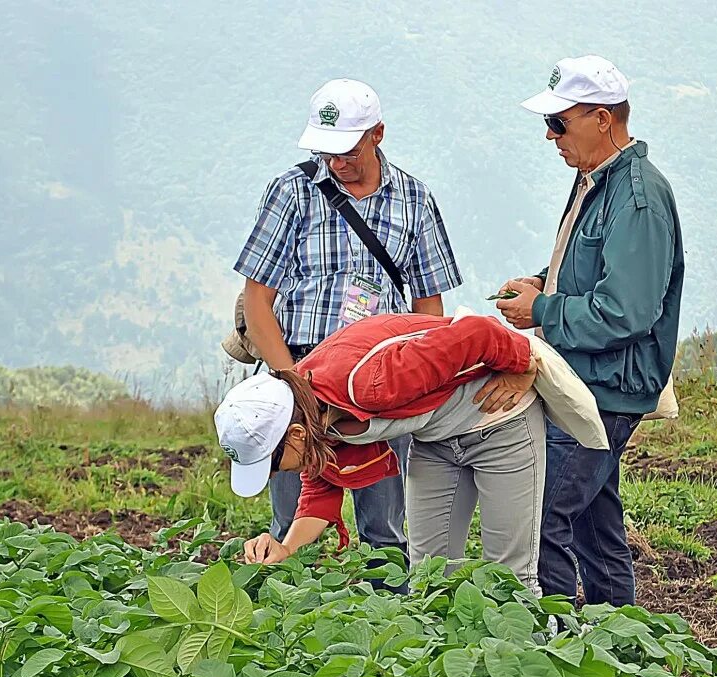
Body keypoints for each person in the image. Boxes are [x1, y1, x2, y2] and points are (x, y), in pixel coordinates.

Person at [232, 78, 463, 559]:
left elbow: (428, 309)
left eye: (348, 150)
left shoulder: (415, 201)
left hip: (378, 388)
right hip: (296, 376)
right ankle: (292, 622)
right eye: (327, 151)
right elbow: (258, 301)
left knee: (385, 528)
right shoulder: (292, 193)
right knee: (291, 522)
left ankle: (393, 623)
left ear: (377, 134)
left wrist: (419, 387)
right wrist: (292, 385)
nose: (336, 163)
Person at [492, 55, 685, 607]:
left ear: (603, 119)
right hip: (589, 379)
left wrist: (543, 310)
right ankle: (619, 637)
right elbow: (597, 271)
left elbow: (626, 311)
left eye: (559, 123)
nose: (550, 136)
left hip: (604, 387)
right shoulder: (597, 181)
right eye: (547, 124)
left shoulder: (638, 198)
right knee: (594, 523)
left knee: (545, 516)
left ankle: (557, 640)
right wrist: (542, 279)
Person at [214, 313, 547, 593]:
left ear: (296, 435)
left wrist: (522, 365)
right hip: (437, 440)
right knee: (429, 578)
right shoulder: (308, 408)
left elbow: (477, 332)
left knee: (511, 578)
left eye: (270, 463)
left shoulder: (370, 382)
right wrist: (286, 548)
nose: (273, 475)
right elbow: (320, 487)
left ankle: (532, 655)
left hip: (501, 422)